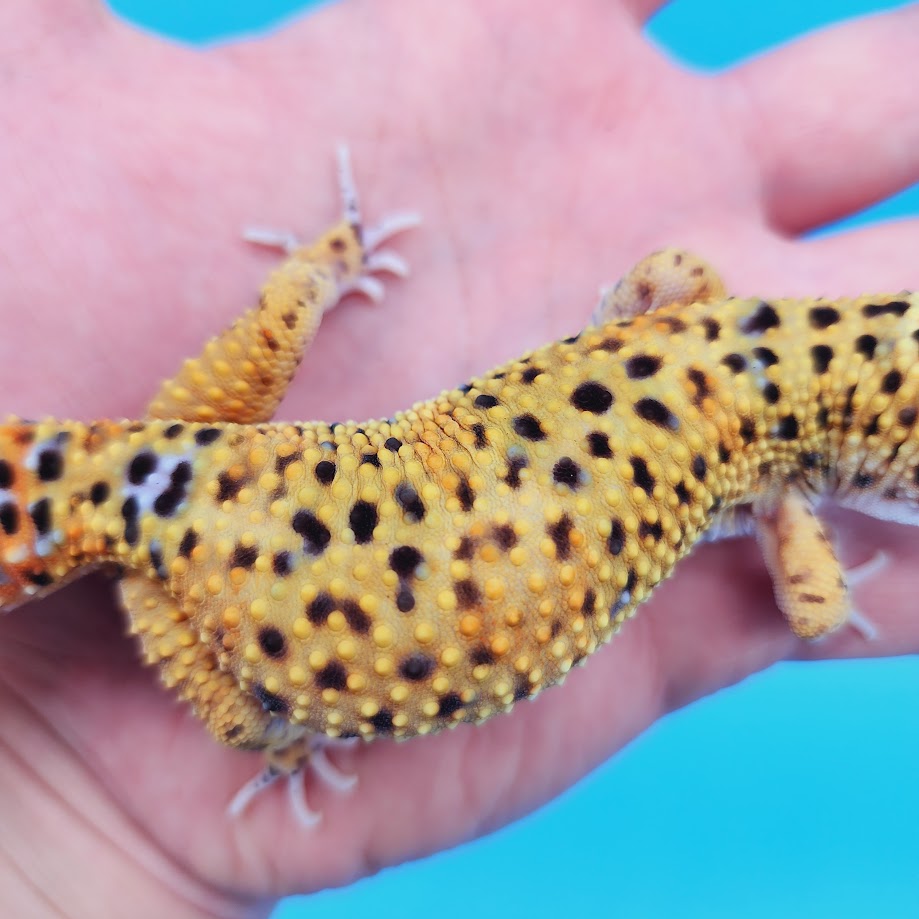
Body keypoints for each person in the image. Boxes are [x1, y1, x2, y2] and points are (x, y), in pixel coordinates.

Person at [0, 0, 916, 914]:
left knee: (266, 369)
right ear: (874, 468)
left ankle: (327, 262)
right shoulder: (788, 497)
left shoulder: (693, 304)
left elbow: (658, 274)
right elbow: (813, 606)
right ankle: (279, 741)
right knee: (250, 719)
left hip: (206, 472)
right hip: (227, 577)